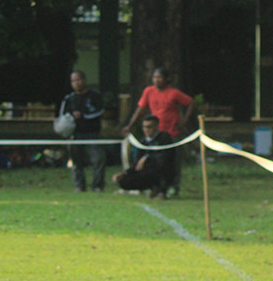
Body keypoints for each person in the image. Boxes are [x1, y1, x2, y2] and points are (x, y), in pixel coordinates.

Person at [122, 68, 194, 197]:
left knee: (173, 162)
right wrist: (130, 125)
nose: (156, 80)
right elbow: (141, 109)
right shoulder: (149, 91)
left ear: (166, 79)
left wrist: (184, 121)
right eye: (154, 77)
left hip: (172, 134)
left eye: (159, 77)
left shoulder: (174, 93)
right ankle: (154, 186)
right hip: (156, 135)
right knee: (152, 162)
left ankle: (173, 187)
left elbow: (189, 102)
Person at [58, 70, 106, 192]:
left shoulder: (95, 95)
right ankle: (79, 186)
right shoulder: (69, 98)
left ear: (84, 80)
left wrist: (84, 115)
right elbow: (62, 116)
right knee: (76, 161)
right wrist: (71, 118)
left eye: (79, 80)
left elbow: (100, 111)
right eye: (74, 81)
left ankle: (97, 186)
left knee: (98, 159)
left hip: (92, 133)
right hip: (75, 135)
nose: (77, 83)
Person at [112, 115, 174, 198]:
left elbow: (166, 157)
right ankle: (152, 188)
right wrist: (124, 173)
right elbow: (137, 163)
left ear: (156, 127)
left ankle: (161, 189)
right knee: (124, 181)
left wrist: (147, 158)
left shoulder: (164, 138)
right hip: (146, 171)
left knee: (159, 169)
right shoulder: (142, 142)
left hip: (161, 170)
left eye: (149, 127)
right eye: (144, 127)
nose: (146, 130)